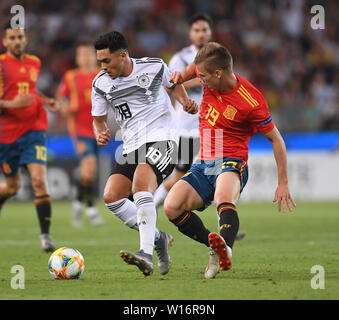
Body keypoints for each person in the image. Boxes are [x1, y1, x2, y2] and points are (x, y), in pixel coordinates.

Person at [164, 42, 296, 279]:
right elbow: (178, 80)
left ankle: (226, 247)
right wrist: (182, 92)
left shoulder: (251, 101)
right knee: (171, 206)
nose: (200, 81)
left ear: (218, 73)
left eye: (203, 77)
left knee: (222, 197)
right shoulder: (203, 68)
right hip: (204, 161)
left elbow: (277, 140)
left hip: (232, 160)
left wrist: (283, 182)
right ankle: (216, 248)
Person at [91, 31, 198, 277]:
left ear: (122, 55)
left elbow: (174, 85)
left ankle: (145, 254)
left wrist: (183, 102)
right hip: (131, 144)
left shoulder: (153, 66)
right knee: (112, 197)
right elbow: (98, 120)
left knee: (141, 187)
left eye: (106, 61)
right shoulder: (100, 83)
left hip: (163, 137)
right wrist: (101, 132)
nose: (102, 67)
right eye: (100, 62)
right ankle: (159, 238)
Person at [153, 13, 246, 241]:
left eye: (204, 30)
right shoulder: (180, 58)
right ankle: (147, 212)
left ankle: (224, 232)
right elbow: (171, 84)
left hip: (214, 128)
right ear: (190, 34)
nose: (201, 34)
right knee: (179, 177)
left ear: (210, 33)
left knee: (218, 178)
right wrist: (185, 99)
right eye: (196, 30)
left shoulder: (219, 58)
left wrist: (197, 76)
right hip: (186, 127)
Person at [0, 23, 60, 251]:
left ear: (25, 39)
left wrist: (46, 101)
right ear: (5, 41)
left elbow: (31, 90)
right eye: (12, 37)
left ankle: (45, 236)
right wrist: (10, 104)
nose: (17, 41)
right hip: (7, 136)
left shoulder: (34, 62)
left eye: (20, 37)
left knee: (38, 181)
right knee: (11, 188)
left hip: (34, 130)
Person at [57, 42, 103, 227]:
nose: (84, 58)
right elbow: (60, 97)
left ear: (95, 56)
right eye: (81, 55)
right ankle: (91, 210)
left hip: (99, 128)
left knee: (89, 174)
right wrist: (63, 107)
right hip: (79, 130)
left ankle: (77, 203)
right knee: (89, 166)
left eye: (87, 54)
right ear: (77, 58)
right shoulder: (71, 77)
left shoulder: (102, 74)